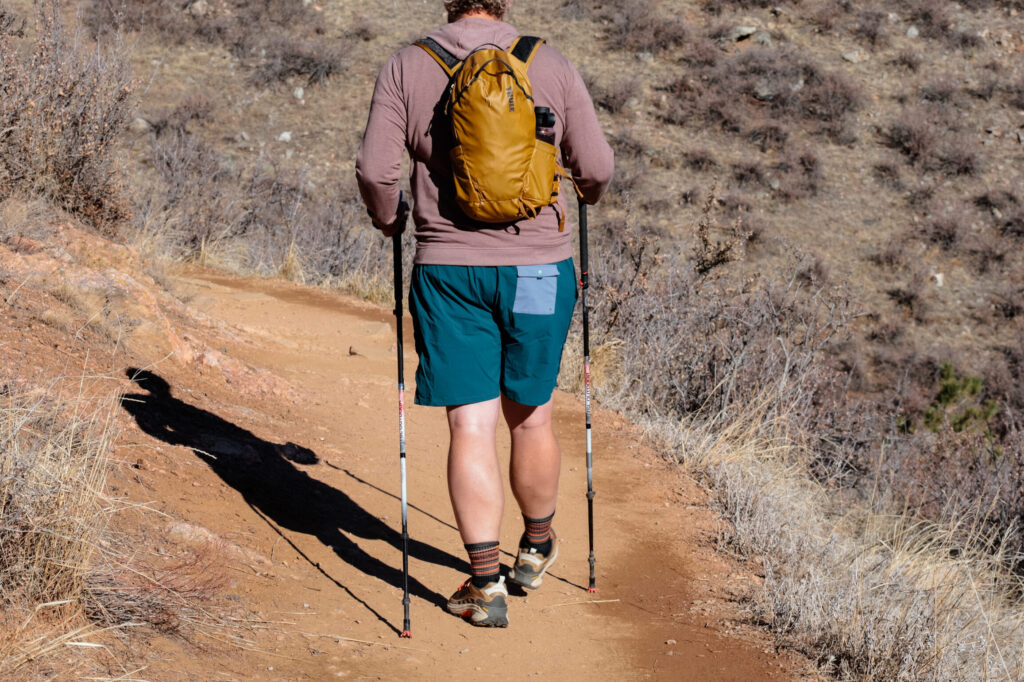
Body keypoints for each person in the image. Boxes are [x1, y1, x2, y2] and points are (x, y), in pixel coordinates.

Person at [355, 0, 613, 628]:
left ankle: (484, 584)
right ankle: (537, 544)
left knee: (471, 426)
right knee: (531, 418)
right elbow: (597, 168)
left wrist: (391, 221)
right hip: (537, 271)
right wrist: (580, 190)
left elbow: (374, 169)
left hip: (449, 273)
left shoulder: (408, 65)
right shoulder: (546, 61)